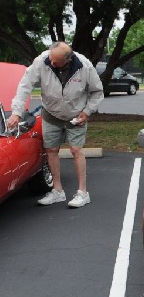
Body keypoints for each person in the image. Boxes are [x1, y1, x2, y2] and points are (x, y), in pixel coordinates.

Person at [6, 42, 104, 208]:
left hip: (76, 115)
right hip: (51, 114)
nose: (51, 63)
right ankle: (58, 191)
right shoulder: (42, 60)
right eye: (50, 58)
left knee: (76, 150)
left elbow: (97, 91)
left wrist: (87, 112)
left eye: (56, 61)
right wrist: (16, 112)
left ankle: (82, 193)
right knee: (51, 150)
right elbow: (25, 86)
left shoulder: (84, 66)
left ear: (68, 59)